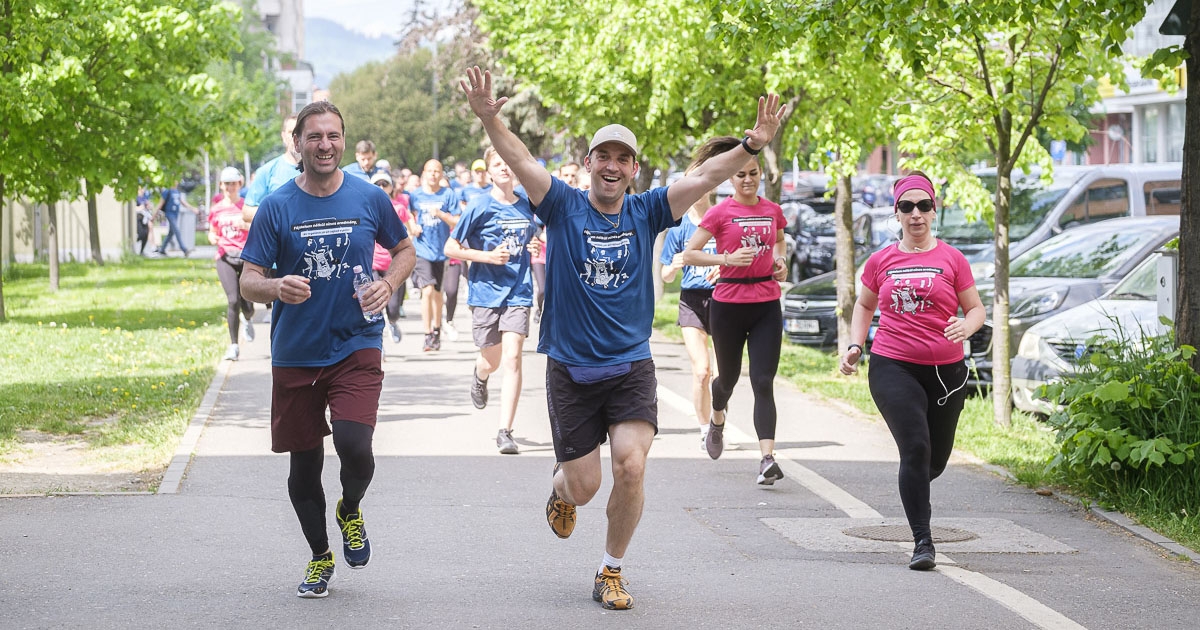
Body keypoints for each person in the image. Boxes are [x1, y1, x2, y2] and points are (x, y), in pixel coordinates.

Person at [461, 65, 784, 610]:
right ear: (589, 164)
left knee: (631, 465)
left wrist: (753, 143)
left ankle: (610, 569)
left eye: (622, 158)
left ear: (633, 169)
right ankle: (561, 485)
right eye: (603, 156)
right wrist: (491, 117)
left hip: (630, 367)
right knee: (583, 487)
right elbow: (518, 159)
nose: (612, 166)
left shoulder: (647, 209)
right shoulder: (561, 205)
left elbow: (705, 177)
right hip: (570, 369)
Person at [238, 100, 416, 598]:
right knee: (304, 464)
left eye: (333, 135)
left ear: (343, 140)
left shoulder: (366, 197)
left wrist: (388, 283)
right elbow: (249, 279)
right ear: (297, 144)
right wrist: (275, 288)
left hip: (356, 343)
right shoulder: (277, 206)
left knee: (356, 448)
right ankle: (319, 555)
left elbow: (405, 250)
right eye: (313, 136)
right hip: (296, 351)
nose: (324, 144)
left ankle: (350, 509)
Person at [838, 171, 984, 571]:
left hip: (946, 372)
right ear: (897, 213)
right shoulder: (881, 260)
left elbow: (976, 309)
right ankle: (923, 541)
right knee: (916, 447)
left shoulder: (952, 259)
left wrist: (966, 326)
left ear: (934, 210)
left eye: (923, 206)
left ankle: (914, 482)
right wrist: (856, 344)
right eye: (907, 207)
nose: (915, 214)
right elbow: (865, 306)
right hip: (892, 364)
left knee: (933, 461)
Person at [682, 137, 789, 485]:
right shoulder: (719, 212)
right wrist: (726, 259)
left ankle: (767, 459)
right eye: (740, 174)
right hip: (728, 304)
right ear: (731, 179)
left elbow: (779, 241)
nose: (747, 180)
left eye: (753, 174)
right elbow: (690, 254)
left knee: (762, 381)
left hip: (766, 304)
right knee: (726, 380)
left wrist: (780, 262)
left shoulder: (772, 210)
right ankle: (716, 418)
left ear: (761, 175)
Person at [444, 147, 539, 455]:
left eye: (508, 163)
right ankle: (480, 374)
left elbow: (533, 237)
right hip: (485, 292)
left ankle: (505, 431)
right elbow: (451, 246)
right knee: (492, 360)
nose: (504, 168)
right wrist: (485, 256)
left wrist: (535, 242)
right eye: (497, 164)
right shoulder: (479, 205)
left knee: (513, 358)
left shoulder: (527, 204)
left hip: (518, 291)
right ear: (488, 171)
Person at [660, 170, 719, 451]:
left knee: (722, 376)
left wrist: (723, 267)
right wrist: (673, 266)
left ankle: (718, 420)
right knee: (702, 371)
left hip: (723, 300)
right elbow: (665, 275)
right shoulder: (679, 227)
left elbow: (737, 259)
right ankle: (705, 427)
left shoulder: (721, 220)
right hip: (692, 301)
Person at [406, 159, 461, 351]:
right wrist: (413, 226)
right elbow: (409, 215)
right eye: (430, 171)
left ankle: (437, 330)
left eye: (437, 171)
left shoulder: (448, 194)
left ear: (441, 174)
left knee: (438, 294)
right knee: (427, 290)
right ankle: (427, 333)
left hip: (441, 250)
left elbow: (456, 221)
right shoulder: (415, 195)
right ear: (424, 173)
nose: (433, 175)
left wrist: (441, 214)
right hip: (422, 249)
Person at [208, 167, 255, 361]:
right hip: (225, 256)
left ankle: (249, 317)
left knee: (248, 302)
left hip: (244, 257)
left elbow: (258, 228)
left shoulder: (246, 206)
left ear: (240, 185)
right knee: (233, 300)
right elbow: (212, 231)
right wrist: (213, 238)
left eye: (233, 183)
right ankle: (234, 346)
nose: (230, 187)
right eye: (226, 183)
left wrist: (246, 225)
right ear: (221, 185)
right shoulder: (216, 209)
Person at [370, 170, 413, 343]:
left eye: (384, 184)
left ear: (391, 187)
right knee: (374, 306)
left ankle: (393, 322)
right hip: (372, 263)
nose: (381, 187)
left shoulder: (399, 208)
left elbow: (409, 230)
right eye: (377, 184)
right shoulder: (365, 207)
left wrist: (414, 232)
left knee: (393, 308)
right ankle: (378, 342)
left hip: (392, 264)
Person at [242, 115, 301, 225]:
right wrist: (278, 213)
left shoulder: (318, 171)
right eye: (291, 132)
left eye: (300, 132)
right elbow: (246, 212)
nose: (295, 137)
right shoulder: (267, 171)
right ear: (283, 136)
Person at [153, 180, 199, 256]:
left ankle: (162, 249)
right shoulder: (167, 191)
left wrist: (192, 208)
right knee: (177, 231)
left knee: (171, 233)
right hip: (169, 214)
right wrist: (154, 216)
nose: (176, 182)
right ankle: (184, 249)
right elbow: (160, 204)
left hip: (175, 214)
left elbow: (183, 203)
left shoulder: (177, 192)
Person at [135, 186, 153, 255]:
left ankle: (141, 251)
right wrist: (140, 207)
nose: (143, 190)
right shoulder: (136, 198)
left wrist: (149, 206)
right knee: (141, 234)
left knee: (146, 234)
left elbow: (148, 206)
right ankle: (134, 245)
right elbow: (135, 208)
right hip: (138, 218)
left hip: (144, 219)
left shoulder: (144, 198)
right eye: (141, 189)